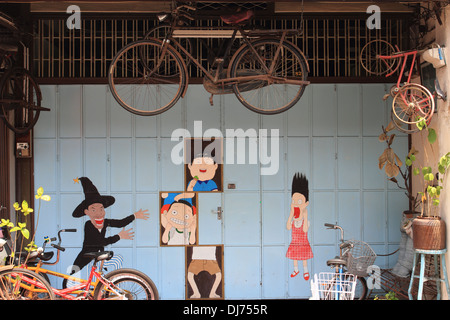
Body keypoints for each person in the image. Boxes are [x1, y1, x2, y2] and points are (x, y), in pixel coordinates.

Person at [64, 177, 149, 287]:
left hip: (97, 253)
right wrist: (119, 236)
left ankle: (110, 288)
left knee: (103, 274)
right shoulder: (89, 225)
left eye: (101, 209)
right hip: (87, 254)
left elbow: (120, 223)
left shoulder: (105, 222)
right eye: (93, 210)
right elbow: (100, 241)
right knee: (72, 274)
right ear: (86, 212)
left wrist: (134, 216)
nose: (99, 213)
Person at [286, 173, 313, 280]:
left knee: (304, 258)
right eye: (293, 201)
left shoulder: (306, 221)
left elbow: (305, 229)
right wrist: (291, 214)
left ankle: (305, 270)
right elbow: (288, 227)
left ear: (306, 203)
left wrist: (305, 217)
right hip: (294, 243)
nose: (296, 204)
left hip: (303, 243)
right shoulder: (293, 220)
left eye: (300, 201)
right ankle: (296, 269)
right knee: (295, 257)